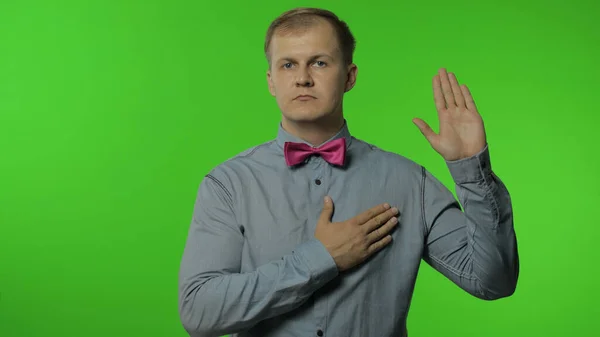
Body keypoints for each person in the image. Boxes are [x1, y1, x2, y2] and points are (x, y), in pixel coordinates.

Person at [178, 7, 519, 337]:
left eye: (320, 63)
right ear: (271, 81)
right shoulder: (228, 185)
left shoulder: (409, 182)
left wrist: (471, 168)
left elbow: (493, 281)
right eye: (287, 65)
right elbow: (198, 312)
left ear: (350, 76)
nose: (302, 78)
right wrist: (320, 259)